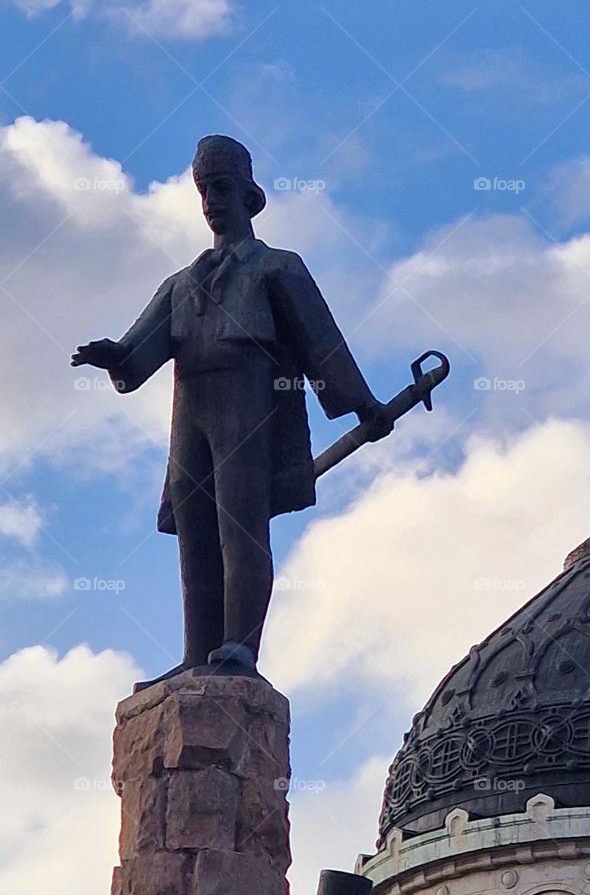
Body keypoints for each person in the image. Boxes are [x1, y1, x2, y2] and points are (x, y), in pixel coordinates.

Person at [71, 134, 391, 689]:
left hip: (248, 402)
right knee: (195, 529)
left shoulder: (276, 268)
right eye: (203, 192)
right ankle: (197, 651)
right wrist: (114, 358)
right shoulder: (180, 284)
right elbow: (137, 358)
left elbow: (319, 341)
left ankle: (239, 645)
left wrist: (363, 405)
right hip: (190, 407)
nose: (211, 202)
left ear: (249, 195)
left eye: (220, 188)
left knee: (239, 523)